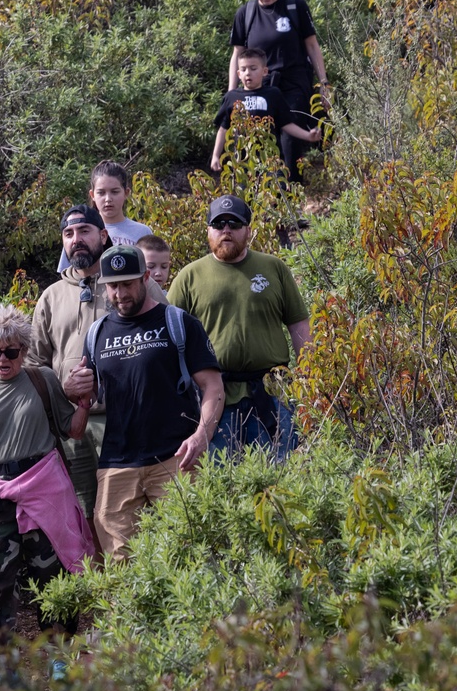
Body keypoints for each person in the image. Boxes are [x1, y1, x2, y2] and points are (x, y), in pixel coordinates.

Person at [0, 304, 94, 636]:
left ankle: (60, 655)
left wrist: (85, 402)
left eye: (11, 352)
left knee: (52, 576)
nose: (2, 360)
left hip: (44, 487)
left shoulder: (41, 379)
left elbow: (71, 429)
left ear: (24, 350)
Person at [82, 245, 224, 560]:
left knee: (187, 556)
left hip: (175, 459)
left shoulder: (177, 322)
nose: (120, 293)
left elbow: (213, 387)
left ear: (146, 278)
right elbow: (86, 395)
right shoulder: (97, 334)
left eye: (128, 283)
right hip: (117, 464)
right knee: (121, 564)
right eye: (113, 285)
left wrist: (202, 434)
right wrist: (72, 389)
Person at [32, 204, 166, 519]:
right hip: (72, 429)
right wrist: (61, 389)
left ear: (103, 234)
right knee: (84, 514)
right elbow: (35, 367)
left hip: (129, 420)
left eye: (84, 231)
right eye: (68, 234)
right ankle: (97, 571)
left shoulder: (134, 282)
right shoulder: (51, 297)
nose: (76, 239)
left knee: (134, 513)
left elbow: (165, 337)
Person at [166, 196, 310, 462]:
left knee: (281, 474)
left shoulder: (274, 268)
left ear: (249, 230)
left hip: (273, 393)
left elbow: (298, 323)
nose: (226, 230)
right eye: (218, 224)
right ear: (208, 230)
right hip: (215, 398)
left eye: (235, 223)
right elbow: (168, 337)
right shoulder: (189, 276)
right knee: (222, 478)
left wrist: (309, 381)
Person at [227, 0, 328, 180]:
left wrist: (323, 84)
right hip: (260, 86)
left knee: (290, 136)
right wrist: (232, 93)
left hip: (294, 83)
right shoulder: (246, 13)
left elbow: (312, 45)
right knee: (261, 137)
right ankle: (268, 196)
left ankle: (293, 191)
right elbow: (238, 53)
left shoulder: (295, 6)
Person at [212, 46, 323, 184]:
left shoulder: (273, 94)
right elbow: (223, 128)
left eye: (253, 69)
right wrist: (216, 156)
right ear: (238, 73)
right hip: (243, 162)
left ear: (265, 71)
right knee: (247, 199)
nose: (248, 73)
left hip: (272, 159)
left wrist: (307, 135)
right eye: (244, 69)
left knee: (278, 193)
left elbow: (286, 124)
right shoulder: (232, 97)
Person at [56, 160, 152, 272]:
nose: (108, 199)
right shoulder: (78, 231)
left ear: (126, 193)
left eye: (115, 192)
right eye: (101, 193)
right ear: (92, 195)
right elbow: (67, 277)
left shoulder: (142, 232)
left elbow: (151, 272)